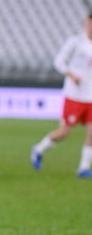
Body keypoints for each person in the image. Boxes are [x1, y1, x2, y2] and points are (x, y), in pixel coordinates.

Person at [31, 12, 92, 178]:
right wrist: (71, 75)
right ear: (85, 24)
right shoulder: (75, 42)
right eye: (89, 23)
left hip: (90, 97)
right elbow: (58, 61)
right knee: (65, 132)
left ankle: (83, 168)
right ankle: (39, 149)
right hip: (74, 95)